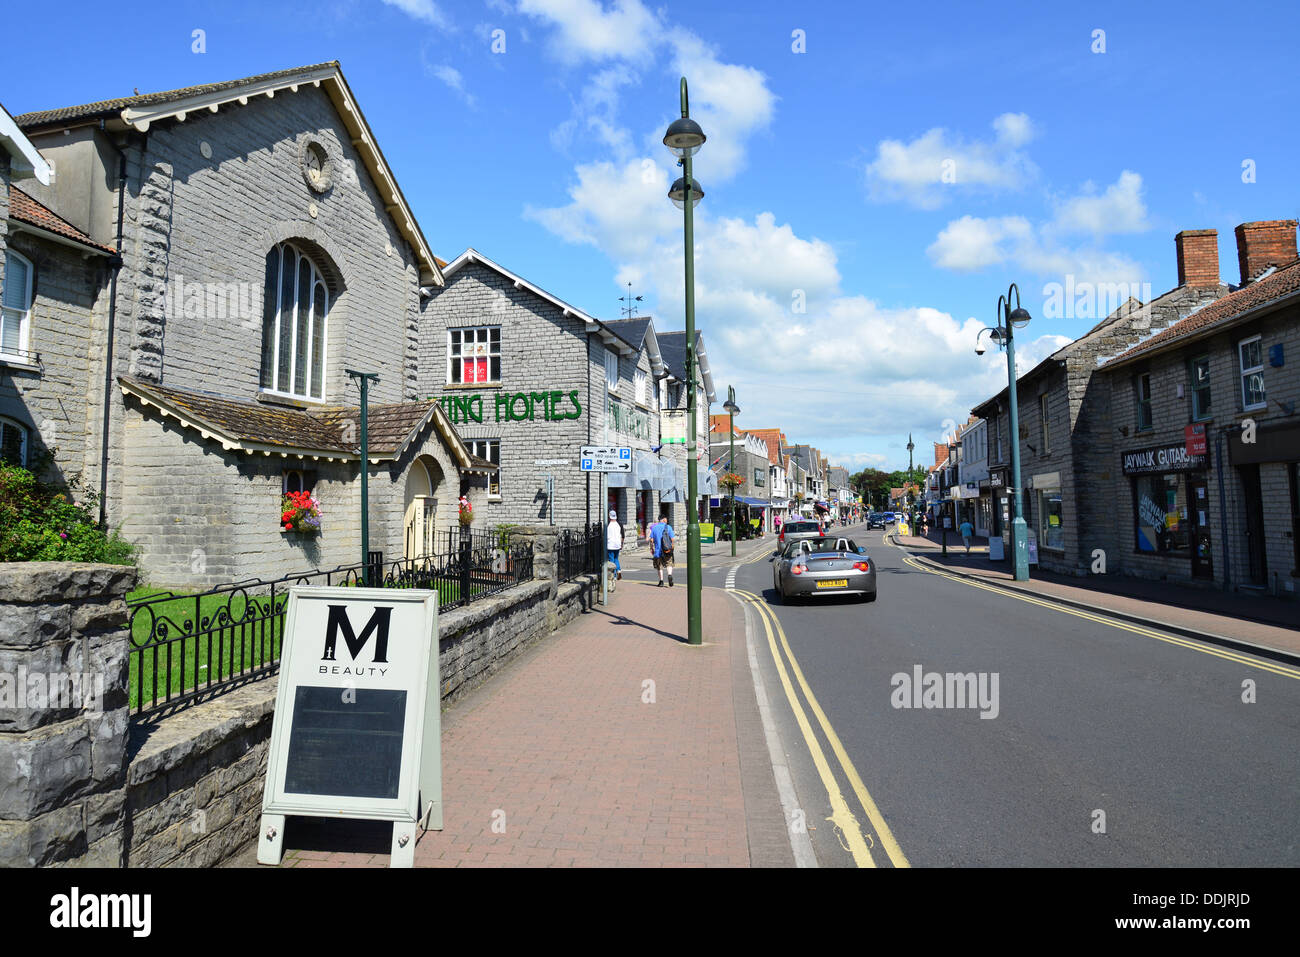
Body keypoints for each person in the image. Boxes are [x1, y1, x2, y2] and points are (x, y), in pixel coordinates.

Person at [650, 514, 675, 587]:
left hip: (658, 551)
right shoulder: (668, 527)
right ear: (663, 519)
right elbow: (672, 539)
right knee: (669, 563)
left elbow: (651, 540)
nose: (667, 520)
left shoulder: (654, 528)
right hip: (667, 550)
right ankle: (669, 575)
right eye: (666, 519)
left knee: (659, 566)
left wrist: (651, 548)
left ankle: (661, 581)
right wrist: (672, 548)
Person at [606, 509, 623, 580]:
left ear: (609, 516)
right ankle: (619, 570)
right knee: (616, 559)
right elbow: (622, 535)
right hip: (617, 544)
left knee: (611, 560)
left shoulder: (608, 525)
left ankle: (614, 575)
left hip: (610, 545)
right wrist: (621, 544)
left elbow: (606, 535)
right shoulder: (618, 524)